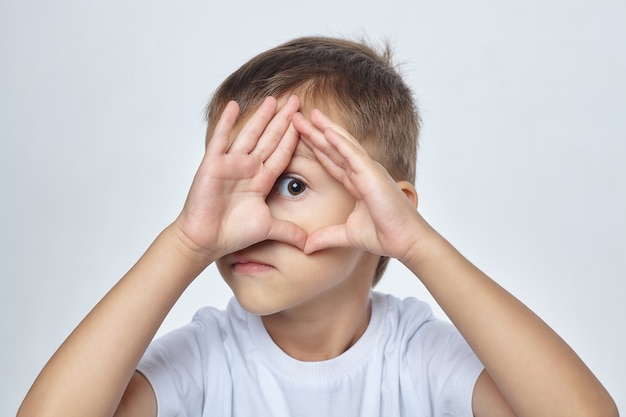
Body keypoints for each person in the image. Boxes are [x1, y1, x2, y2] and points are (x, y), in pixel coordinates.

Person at [18, 37, 617, 417]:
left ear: (390, 207)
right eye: (234, 186)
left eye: (293, 186)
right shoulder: (208, 360)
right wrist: (186, 242)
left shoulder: (417, 357)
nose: (247, 222)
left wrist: (420, 245)